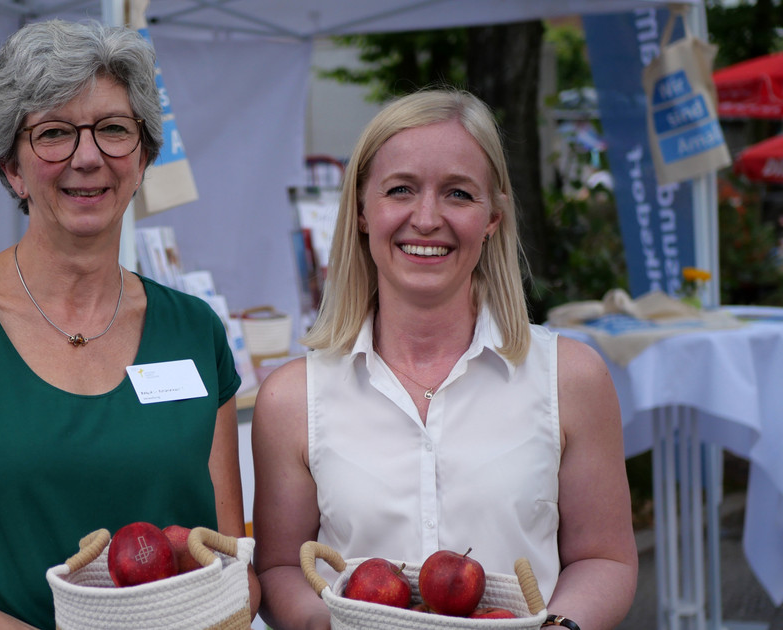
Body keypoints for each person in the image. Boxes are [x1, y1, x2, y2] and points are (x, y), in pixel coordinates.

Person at [0, 19, 253, 630]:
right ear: (11, 166)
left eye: (114, 130)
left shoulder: (194, 330)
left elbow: (226, 559)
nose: (87, 157)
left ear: (142, 157)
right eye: (55, 133)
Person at [251, 89, 637, 630]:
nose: (426, 218)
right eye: (400, 189)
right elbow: (280, 566)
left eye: (457, 193)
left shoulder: (570, 378)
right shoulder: (292, 398)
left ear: (492, 218)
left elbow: (605, 558)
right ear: (362, 210)